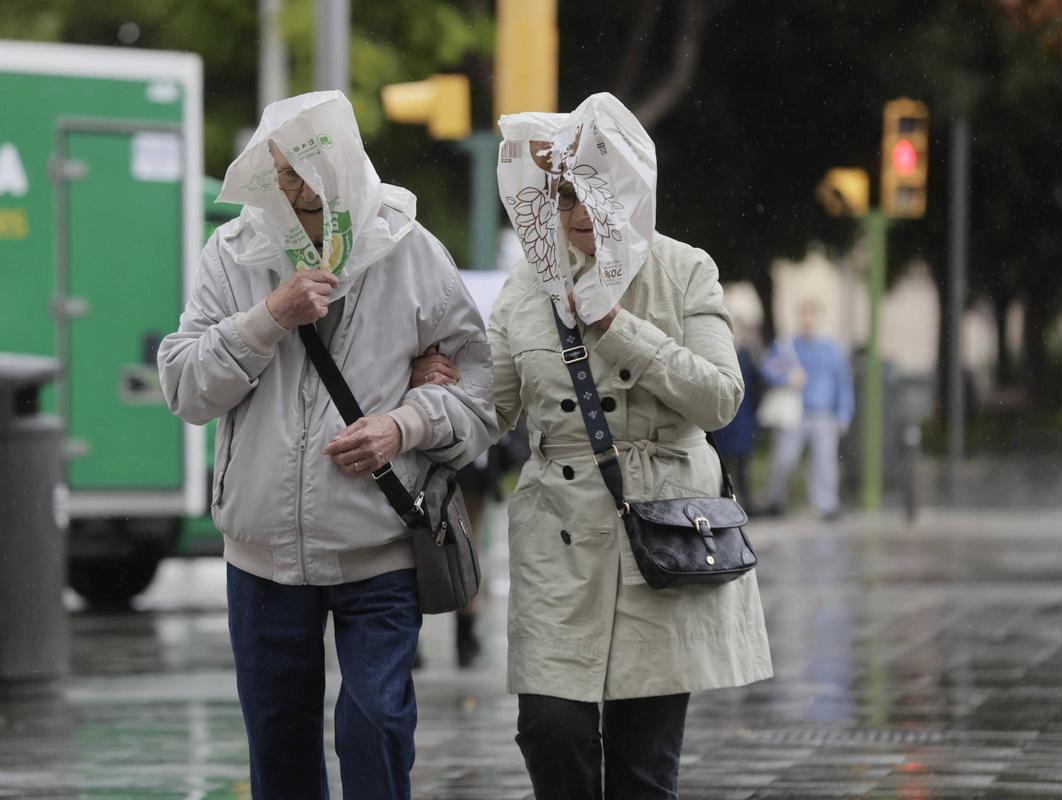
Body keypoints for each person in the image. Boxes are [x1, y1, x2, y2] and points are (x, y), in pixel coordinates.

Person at [415, 93, 772, 800]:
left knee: (643, 764)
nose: (576, 209)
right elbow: (496, 409)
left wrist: (618, 326)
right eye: (561, 193)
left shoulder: (683, 268)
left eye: (591, 189)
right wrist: (437, 393)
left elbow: (720, 399)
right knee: (548, 729)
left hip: (661, 532)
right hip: (559, 534)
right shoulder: (527, 286)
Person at [158, 92, 495, 800]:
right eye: (281, 172)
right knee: (279, 753)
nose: (297, 190)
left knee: (373, 729)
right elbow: (186, 388)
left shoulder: (413, 253)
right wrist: (267, 318)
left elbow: (481, 395)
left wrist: (402, 425)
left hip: (380, 549)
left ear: (347, 161)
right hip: (261, 559)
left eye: (311, 170)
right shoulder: (234, 254)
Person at [760, 300, 854, 520]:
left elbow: (843, 385)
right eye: (804, 314)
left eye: (812, 315)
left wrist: (844, 415)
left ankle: (826, 505)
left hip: (823, 415)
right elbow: (766, 368)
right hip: (794, 414)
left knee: (825, 462)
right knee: (783, 459)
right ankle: (776, 499)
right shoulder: (787, 346)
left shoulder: (833, 351)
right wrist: (785, 378)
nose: (808, 320)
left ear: (820, 318)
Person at [709, 321, 761, 505]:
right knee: (723, 463)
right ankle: (725, 501)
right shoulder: (718, 354)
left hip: (743, 417)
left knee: (742, 463)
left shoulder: (746, 356)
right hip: (724, 419)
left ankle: (746, 502)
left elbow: (755, 386)